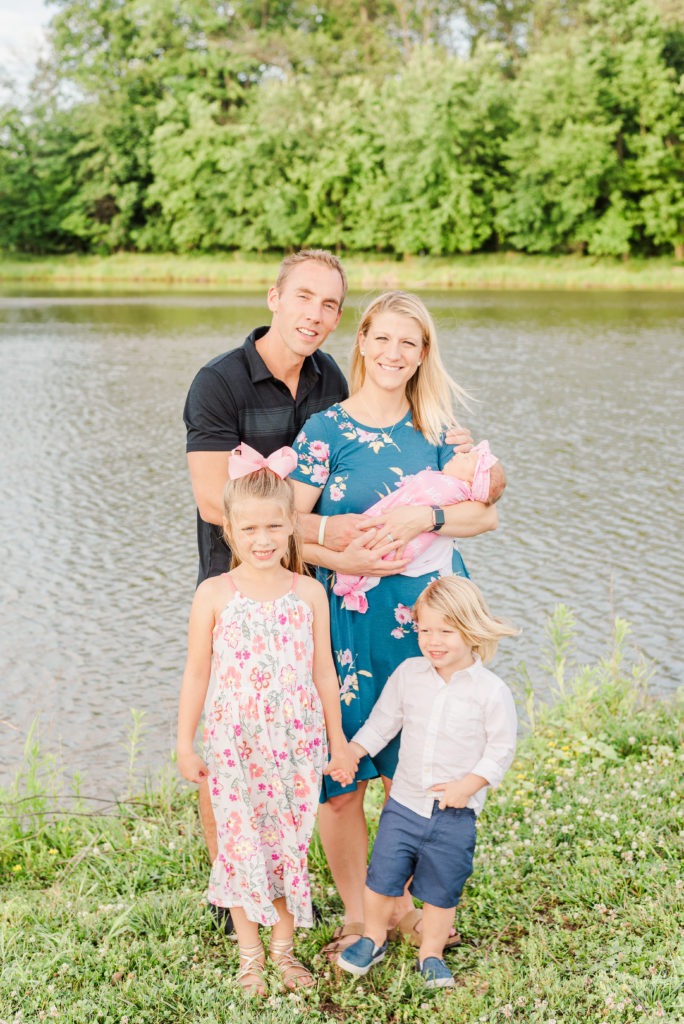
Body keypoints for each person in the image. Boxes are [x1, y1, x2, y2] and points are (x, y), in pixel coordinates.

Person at [288, 290, 499, 957]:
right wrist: (344, 554)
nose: (393, 353)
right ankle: (361, 914)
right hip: (349, 621)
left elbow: (484, 514)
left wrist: (424, 518)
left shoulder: (439, 432)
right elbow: (285, 526)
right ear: (362, 342)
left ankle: (408, 904)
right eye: (382, 338)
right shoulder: (324, 431)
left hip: (427, 623)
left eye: (409, 342)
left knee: (421, 767)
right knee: (344, 775)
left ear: (423, 354)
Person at [183, 248, 350, 935]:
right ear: (274, 297)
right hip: (239, 591)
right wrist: (321, 530)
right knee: (230, 744)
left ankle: (283, 882)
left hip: (308, 591)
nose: (316, 314)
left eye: (331, 304)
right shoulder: (218, 382)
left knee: (287, 744)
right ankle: (233, 893)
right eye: (305, 297)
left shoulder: (330, 379)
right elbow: (211, 499)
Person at [176, 450, 358, 995]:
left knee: (285, 843)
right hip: (235, 741)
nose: (263, 538)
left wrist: (339, 742)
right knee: (239, 841)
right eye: (249, 527)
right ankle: (249, 956)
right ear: (228, 529)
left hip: (296, 742)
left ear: (291, 528)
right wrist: (185, 743)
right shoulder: (214, 594)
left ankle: (283, 952)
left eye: (274, 526)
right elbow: (195, 674)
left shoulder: (308, 592)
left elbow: (325, 673)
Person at [337, 575, 518, 989]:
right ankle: (373, 937)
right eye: (425, 630)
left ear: (472, 630)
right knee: (381, 876)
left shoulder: (491, 691)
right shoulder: (409, 674)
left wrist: (468, 785)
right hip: (404, 802)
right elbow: (383, 723)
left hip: (455, 811)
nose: (433, 641)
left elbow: (500, 750)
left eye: (446, 631)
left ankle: (431, 952)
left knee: (441, 888)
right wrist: (354, 751)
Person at [333, 440, 506, 612]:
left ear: (471, 483)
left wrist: (426, 517)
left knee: (381, 548)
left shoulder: (446, 455)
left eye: (467, 459)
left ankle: (353, 582)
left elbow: (490, 517)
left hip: (428, 597)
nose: (459, 455)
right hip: (390, 590)